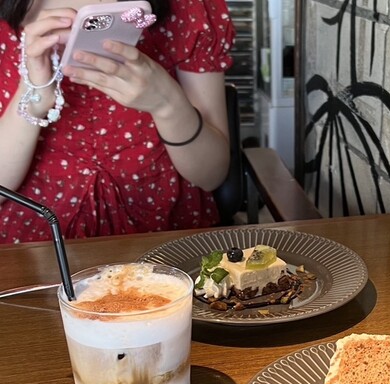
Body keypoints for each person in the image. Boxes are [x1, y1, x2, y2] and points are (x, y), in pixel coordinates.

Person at [0, 0, 235, 243]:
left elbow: (212, 175)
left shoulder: (189, 6)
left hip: (166, 237)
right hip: (31, 245)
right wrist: (33, 99)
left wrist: (168, 105)